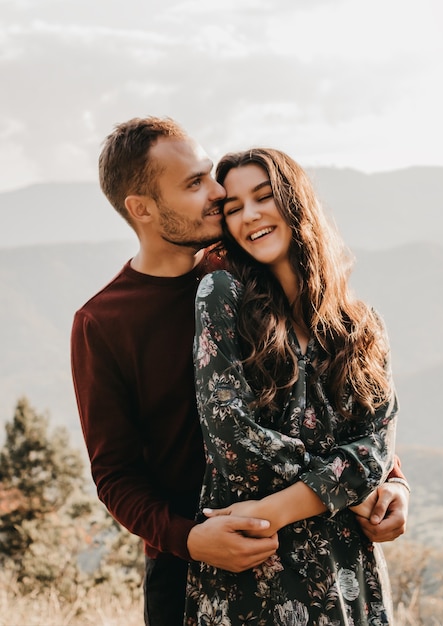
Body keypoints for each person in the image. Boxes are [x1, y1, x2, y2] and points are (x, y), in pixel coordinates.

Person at [70, 117, 410, 626]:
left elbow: (323, 394)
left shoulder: (248, 273)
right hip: (192, 564)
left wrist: (391, 483)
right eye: (194, 184)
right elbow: (115, 475)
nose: (217, 194)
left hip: (311, 543)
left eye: (209, 175)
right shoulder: (103, 322)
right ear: (141, 209)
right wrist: (189, 539)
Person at [185, 148, 403, 625]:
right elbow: (231, 433)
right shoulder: (222, 296)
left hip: (349, 573)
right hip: (255, 565)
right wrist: (345, 487)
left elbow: (376, 446)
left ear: (296, 201)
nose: (250, 215)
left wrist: (282, 505)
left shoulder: (361, 326)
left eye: (264, 197)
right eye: (234, 206)